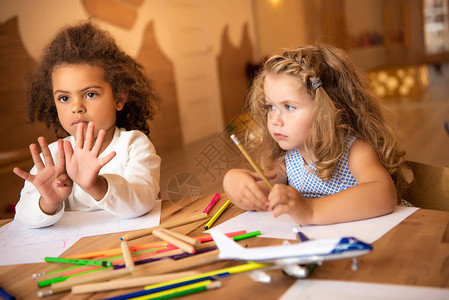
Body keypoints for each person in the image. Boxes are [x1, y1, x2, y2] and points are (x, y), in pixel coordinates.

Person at [223, 44, 407, 225]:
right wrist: (235, 184)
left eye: (289, 107)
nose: (275, 120)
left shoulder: (355, 151)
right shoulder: (290, 159)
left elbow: (384, 194)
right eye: (271, 106)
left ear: (326, 109)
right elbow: (266, 192)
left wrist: (311, 210)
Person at [13, 22, 161, 228]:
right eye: (64, 98)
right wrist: (48, 201)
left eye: (90, 94)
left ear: (119, 98)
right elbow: (23, 216)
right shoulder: (54, 156)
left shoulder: (134, 145)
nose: (76, 107)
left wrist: (96, 185)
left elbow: (143, 199)